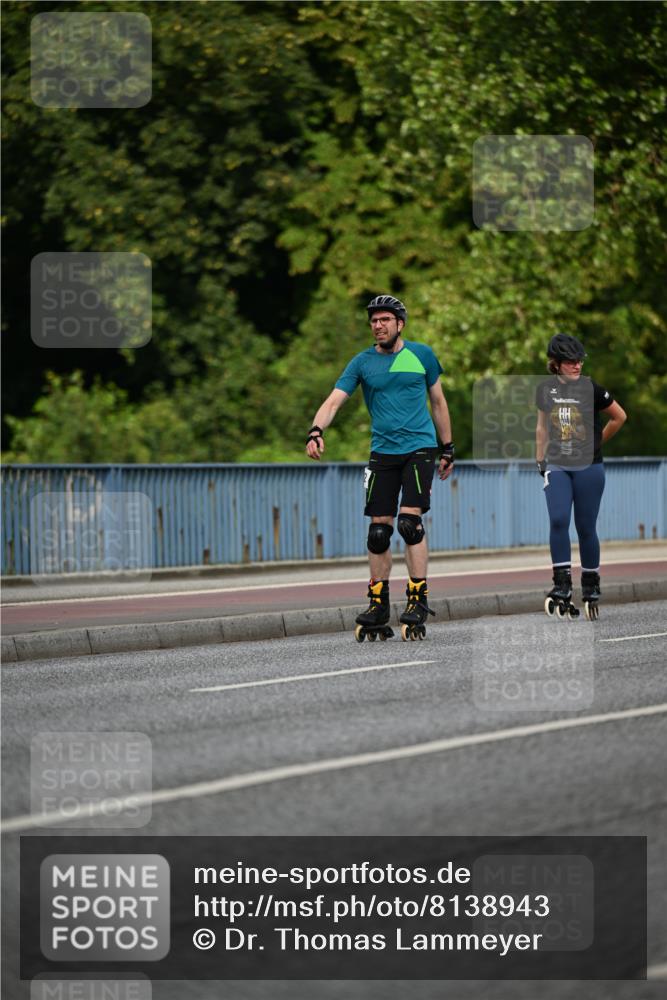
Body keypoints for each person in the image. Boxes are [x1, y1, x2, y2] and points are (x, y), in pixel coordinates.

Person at [306, 294, 455, 637]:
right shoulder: (361, 363)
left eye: (385, 319)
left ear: (400, 324)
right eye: (374, 320)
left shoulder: (421, 355)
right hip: (382, 452)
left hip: (419, 447)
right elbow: (333, 401)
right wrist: (316, 430)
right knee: (378, 531)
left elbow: (438, 402)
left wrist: (447, 448)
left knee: (408, 524)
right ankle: (378, 603)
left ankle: (417, 598)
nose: (378, 325)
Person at [535, 333, 627, 619]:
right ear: (557, 364)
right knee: (559, 519)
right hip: (558, 464)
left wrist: (598, 440)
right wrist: (540, 459)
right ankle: (562, 585)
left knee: (586, 527)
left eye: (579, 362)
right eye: (571, 362)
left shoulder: (592, 389)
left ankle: (591, 585)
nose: (577, 366)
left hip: (590, 465)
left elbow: (620, 416)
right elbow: (541, 428)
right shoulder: (545, 390)